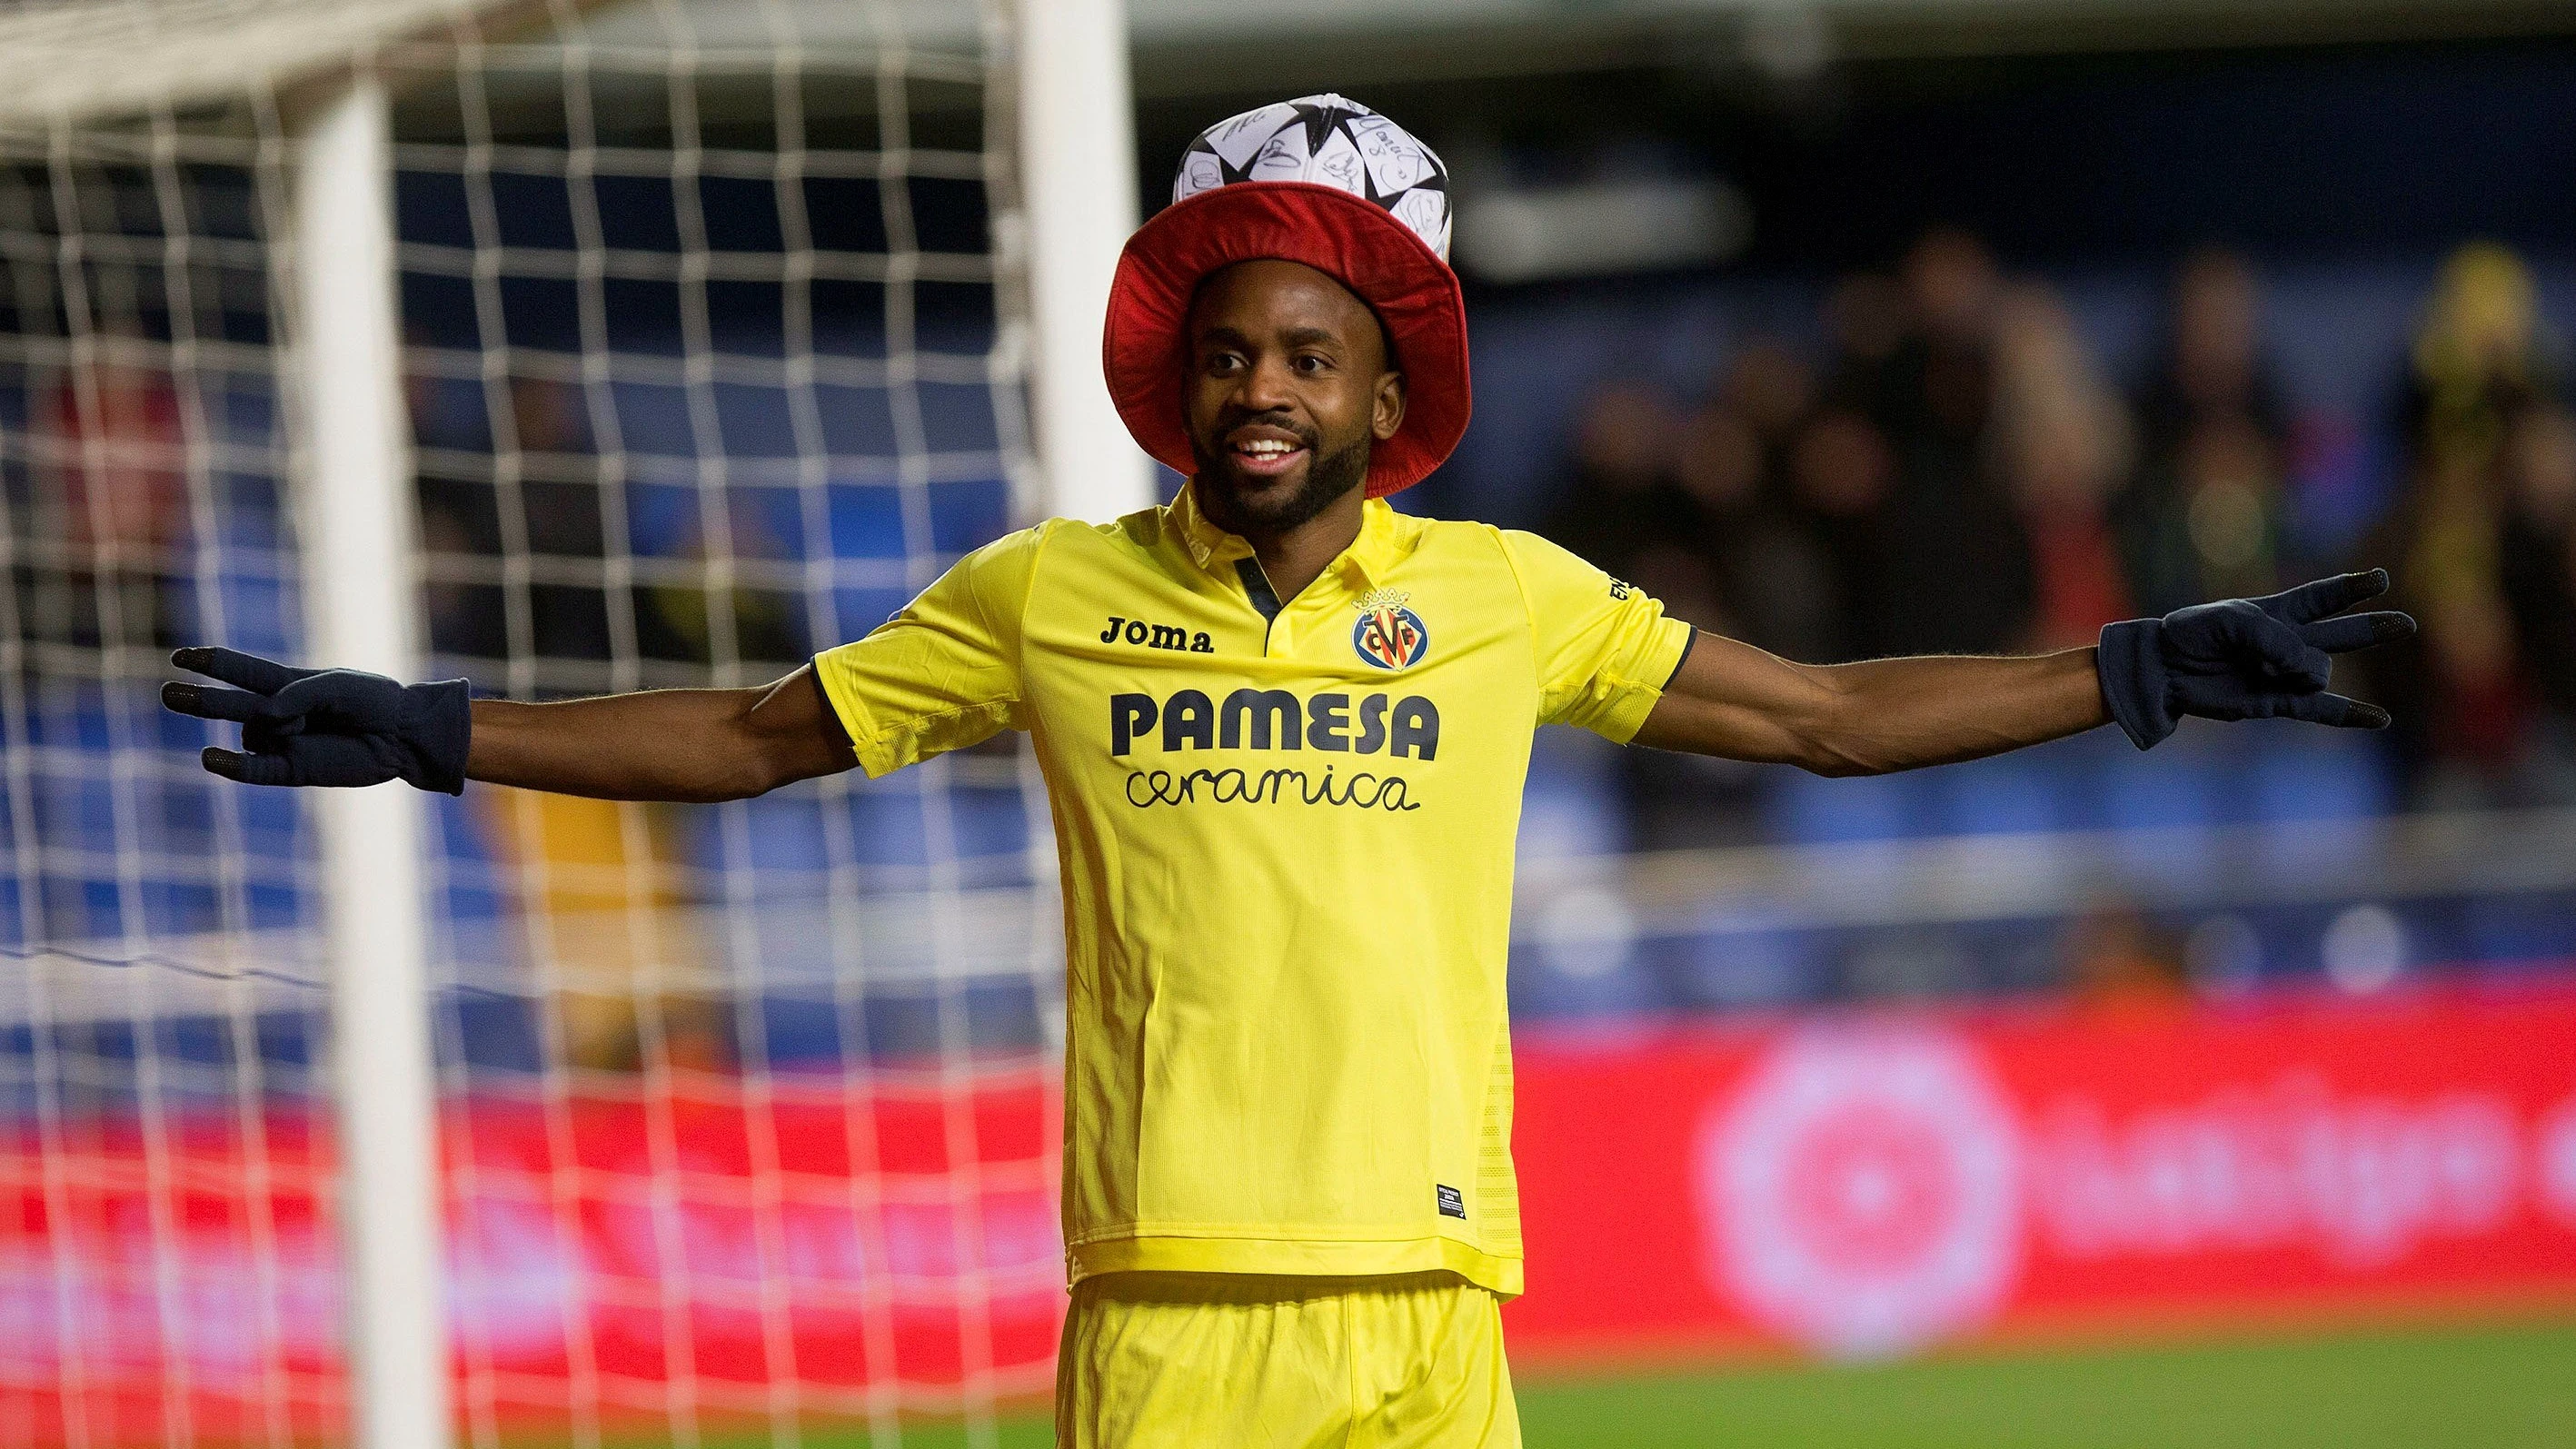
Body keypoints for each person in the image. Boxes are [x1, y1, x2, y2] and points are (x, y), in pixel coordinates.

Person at [161, 95, 2414, 1447]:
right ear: (1184, 380)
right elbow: (762, 736)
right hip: (1170, 1303)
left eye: (1305, 355)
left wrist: (2115, 666)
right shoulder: (1046, 590)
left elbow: (1820, 712)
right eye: (1227, 348)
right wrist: (446, 730)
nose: (1260, 384)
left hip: (1438, 1301)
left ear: (1377, 392)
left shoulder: (1508, 593)